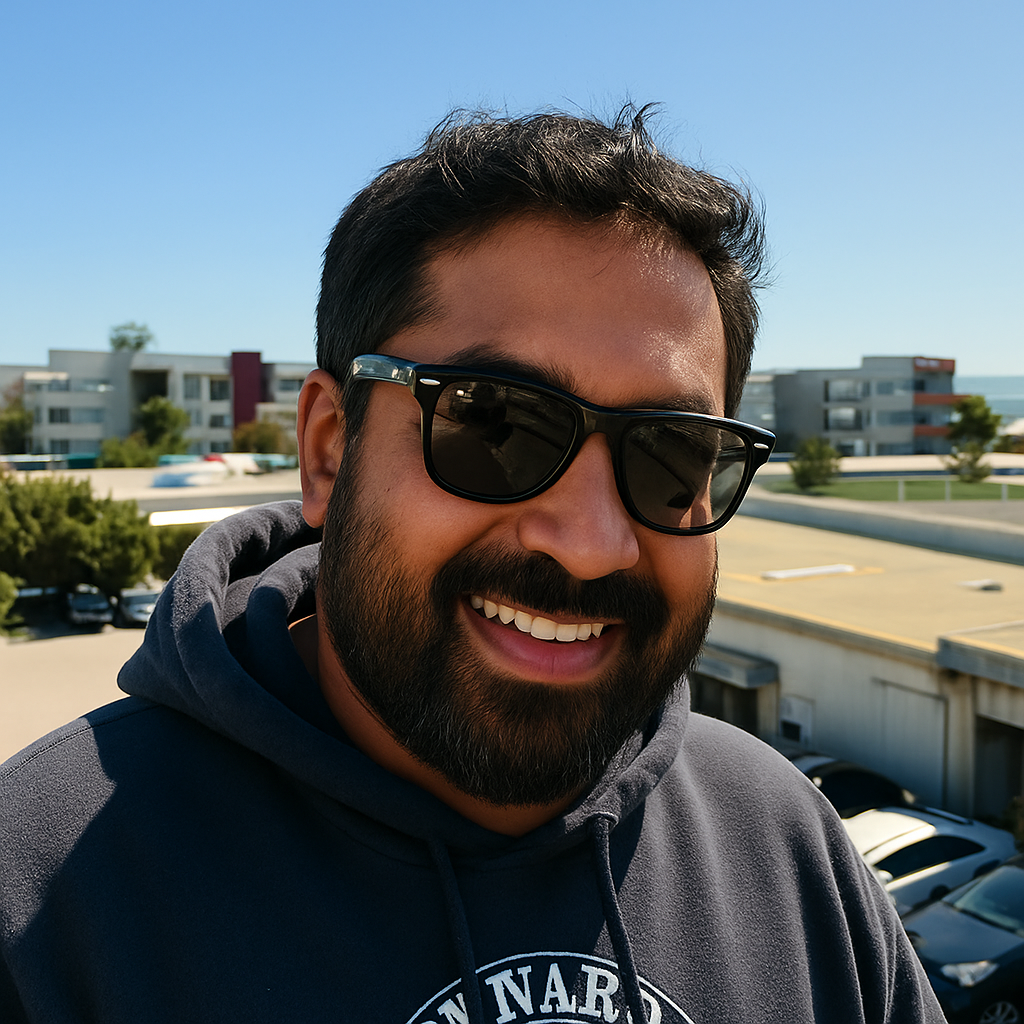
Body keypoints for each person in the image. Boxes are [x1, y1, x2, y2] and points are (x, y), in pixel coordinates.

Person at [0, 107, 945, 1023]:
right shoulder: (43, 895)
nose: (591, 541)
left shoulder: (783, 843)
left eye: (672, 453)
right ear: (329, 450)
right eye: (493, 423)